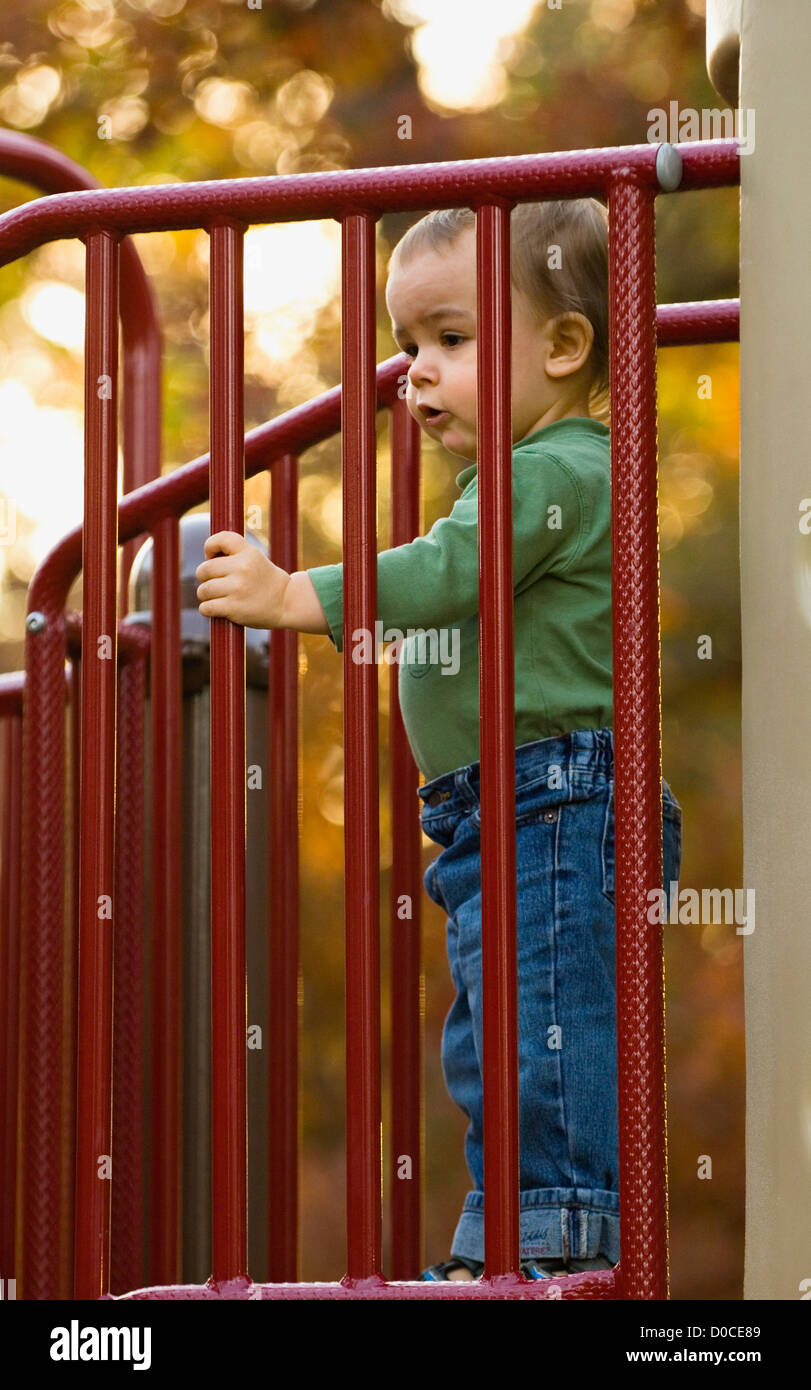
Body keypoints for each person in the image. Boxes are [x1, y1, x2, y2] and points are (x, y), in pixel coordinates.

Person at [195, 198, 683, 1283]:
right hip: (504, 809)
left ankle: (556, 1243)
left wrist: (293, 593)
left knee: (543, 1029)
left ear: (563, 347)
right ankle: (512, 1237)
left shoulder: (559, 472)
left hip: (558, 801)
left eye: (451, 340)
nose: (413, 371)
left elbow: (441, 575)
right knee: (493, 1041)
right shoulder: (518, 479)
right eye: (406, 344)